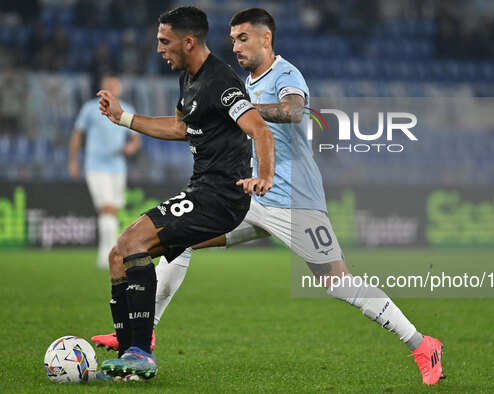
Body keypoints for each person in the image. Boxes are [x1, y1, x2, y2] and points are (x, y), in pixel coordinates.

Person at [92, 8, 444, 385]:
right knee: (180, 241)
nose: (236, 46)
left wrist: (234, 108)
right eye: (233, 40)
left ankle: (422, 344)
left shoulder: (285, 74)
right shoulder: (237, 82)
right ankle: (140, 336)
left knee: (338, 283)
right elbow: (188, 124)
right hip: (249, 196)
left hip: (295, 201)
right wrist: (138, 117)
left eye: (243, 38)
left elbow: (294, 111)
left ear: (266, 39)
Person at [95, 6, 275, 380]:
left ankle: (141, 353)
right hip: (203, 189)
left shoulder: (220, 82)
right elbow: (180, 128)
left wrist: (265, 176)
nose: (159, 48)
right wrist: (124, 118)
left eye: (165, 41)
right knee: (118, 255)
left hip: (222, 196)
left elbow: (260, 129)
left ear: (188, 41)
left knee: (131, 242)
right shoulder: (189, 79)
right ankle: (128, 361)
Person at [68, 74, 141, 270]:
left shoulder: (127, 109)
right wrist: (73, 161)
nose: (111, 87)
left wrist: (131, 148)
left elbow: (136, 139)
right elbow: (77, 135)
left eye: (114, 85)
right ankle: (106, 255)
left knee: (114, 211)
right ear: (101, 88)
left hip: (118, 166)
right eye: (107, 84)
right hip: (96, 165)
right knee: (107, 207)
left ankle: (111, 252)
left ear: (120, 89)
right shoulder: (91, 109)